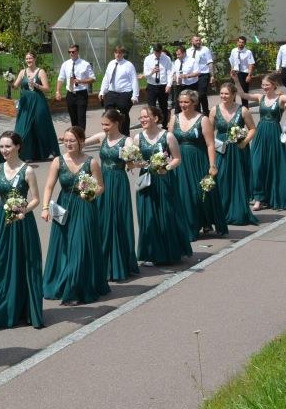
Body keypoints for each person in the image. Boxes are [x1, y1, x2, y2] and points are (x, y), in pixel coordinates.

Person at [0, 132, 43, 330]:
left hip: (22, 223)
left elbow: (36, 199)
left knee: (22, 265)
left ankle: (21, 309)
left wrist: (24, 210)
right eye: (1, 147)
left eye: (7, 146)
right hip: (1, 221)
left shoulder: (27, 171)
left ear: (17, 147)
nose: (4, 150)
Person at [41, 126, 109, 305]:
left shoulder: (91, 162)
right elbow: (49, 186)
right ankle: (62, 283)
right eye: (65, 140)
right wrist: (45, 208)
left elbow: (101, 186)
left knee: (80, 246)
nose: (68, 144)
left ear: (81, 141)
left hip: (85, 206)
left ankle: (75, 289)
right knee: (63, 246)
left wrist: (91, 193)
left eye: (72, 140)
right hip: (62, 207)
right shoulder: (58, 161)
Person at [82, 109, 139, 281]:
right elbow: (83, 142)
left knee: (117, 219)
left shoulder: (127, 140)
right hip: (102, 180)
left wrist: (131, 161)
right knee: (102, 219)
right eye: (103, 124)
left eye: (107, 124)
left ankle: (119, 263)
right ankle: (102, 261)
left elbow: (134, 163)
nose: (104, 127)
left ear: (116, 123)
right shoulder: (102, 137)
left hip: (118, 182)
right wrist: (72, 139)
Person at [132, 107, 190, 266]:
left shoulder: (168, 136)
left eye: (146, 117)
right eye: (141, 118)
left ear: (156, 118)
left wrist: (167, 168)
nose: (143, 120)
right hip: (146, 181)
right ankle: (150, 252)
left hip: (164, 181)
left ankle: (169, 252)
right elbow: (135, 161)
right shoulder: (138, 138)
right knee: (148, 216)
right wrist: (133, 163)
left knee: (166, 214)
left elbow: (177, 159)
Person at [232, 73, 286, 210]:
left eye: (267, 85)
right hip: (261, 133)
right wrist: (236, 80)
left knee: (274, 165)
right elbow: (243, 95)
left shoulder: (280, 99)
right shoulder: (260, 97)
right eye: (263, 85)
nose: (264, 87)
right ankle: (258, 198)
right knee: (257, 165)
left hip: (274, 133)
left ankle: (274, 197)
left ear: (274, 85)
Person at [172, 89, 228, 238]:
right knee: (184, 194)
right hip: (180, 162)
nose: (183, 105)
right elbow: (169, 141)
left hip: (198, 160)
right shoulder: (174, 119)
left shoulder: (202, 120)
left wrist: (212, 165)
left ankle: (206, 221)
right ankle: (189, 227)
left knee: (199, 194)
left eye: (186, 102)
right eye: (181, 102)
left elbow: (210, 144)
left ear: (194, 103)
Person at [210, 82, 258, 226]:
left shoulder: (243, 110)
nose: (223, 96)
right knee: (221, 179)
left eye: (226, 94)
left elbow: (252, 129)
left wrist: (244, 142)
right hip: (221, 149)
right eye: (221, 93)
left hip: (238, 150)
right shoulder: (214, 110)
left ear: (233, 95)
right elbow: (209, 132)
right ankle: (221, 212)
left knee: (238, 179)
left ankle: (238, 212)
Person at [12, 51, 60, 161]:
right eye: (27, 58)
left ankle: (46, 151)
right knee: (22, 128)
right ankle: (23, 153)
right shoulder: (22, 72)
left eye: (30, 58)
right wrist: (10, 81)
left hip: (38, 101)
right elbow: (15, 86)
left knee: (41, 126)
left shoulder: (40, 71)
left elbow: (47, 89)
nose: (28, 60)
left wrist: (36, 85)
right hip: (25, 103)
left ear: (34, 59)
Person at [98, 46, 138, 136]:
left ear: (123, 54)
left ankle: (124, 135)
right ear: (114, 53)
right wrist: (102, 91)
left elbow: (134, 80)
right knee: (108, 113)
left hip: (125, 93)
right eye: (116, 52)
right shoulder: (111, 63)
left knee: (123, 113)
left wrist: (135, 95)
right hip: (112, 92)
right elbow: (106, 78)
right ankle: (110, 133)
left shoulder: (128, 65)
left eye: (120, 53)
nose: (118, 54)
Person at [55, 44, 95, 131]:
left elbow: (92, 79)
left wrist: (81, 81)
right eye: (69, 52)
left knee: (81, 117)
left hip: (81, 94)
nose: (71, 53)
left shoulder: (85, 64)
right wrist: (58, 91)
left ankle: (81, 139)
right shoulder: (65, 64)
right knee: (73, 117)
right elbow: (61, 78)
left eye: (73, 52)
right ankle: (75, 136)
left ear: (77, 52)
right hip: (70, 93)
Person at [142, 43, 173, 128]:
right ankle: (152, 125)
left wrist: (169, 85)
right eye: (156, 52)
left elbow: (170, 72)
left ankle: (164, 125)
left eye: (159, 52)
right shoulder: (148, 59)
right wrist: (152, 71)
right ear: (153, 51)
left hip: (163, 85)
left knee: (164, 107)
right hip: (152, 85)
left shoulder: (167, 59)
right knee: (151, 107)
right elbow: (145, 73)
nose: (158, 54)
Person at [189, 35, 214, 113]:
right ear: (192, 41)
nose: (198, 42)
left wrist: (212, 75)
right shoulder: (188, 51)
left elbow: (210, 62)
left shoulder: (205, 49)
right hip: (193, 76)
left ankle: (206, 112)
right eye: (196, 40)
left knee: (202, 94)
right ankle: (198, 112)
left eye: (199, 40)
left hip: (203, 74)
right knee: (195, 95)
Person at [229, 37, 255, 109]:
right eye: (239, 42)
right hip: (235, 73)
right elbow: (232, 62)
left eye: (242, 42)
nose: (241, 44)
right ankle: (232, 107)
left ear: (245, 43)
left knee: (243, 92)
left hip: (243, 73)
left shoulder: (248, 52)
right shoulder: (233, 51)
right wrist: (231, 70)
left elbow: (251, 64)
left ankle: (245, 108)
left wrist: (249, 75)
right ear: (237, 43)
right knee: (232, 90)